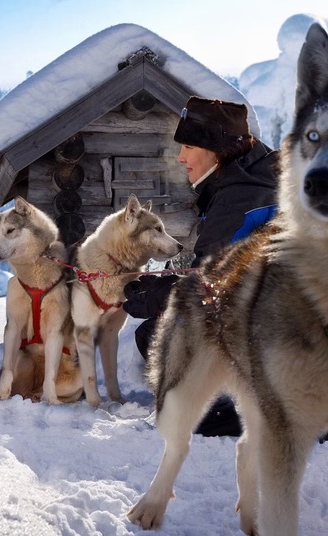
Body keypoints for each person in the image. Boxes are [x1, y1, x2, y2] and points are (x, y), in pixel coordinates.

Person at [123, 96, 279, 436]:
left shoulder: (240, 198)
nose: (181, 157)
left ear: (218, 150)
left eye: (190, 146)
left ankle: (236, 416)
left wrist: (160, 296)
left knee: (158, 335)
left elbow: (211, 287)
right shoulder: (253, 179)